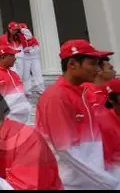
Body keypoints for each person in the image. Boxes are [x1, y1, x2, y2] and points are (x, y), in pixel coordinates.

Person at [35, 39, 120, 189]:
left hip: (92, 181)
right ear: (72, 64)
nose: (97, 69)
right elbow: (65, 151)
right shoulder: (56, 96)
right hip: (71, 184)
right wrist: (107, 181)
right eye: (92, 64)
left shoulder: (81, 94)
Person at [0, 45, 32, 124]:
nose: (15, 58)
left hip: (23, 119)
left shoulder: (14, 74)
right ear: (3, 57)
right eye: (12, 55)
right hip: (6, 120)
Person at [19, 23, 44, 95]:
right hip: (25, 59)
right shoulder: (19, 39)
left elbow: (37, 48)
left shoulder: (33, 39)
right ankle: (27, 90)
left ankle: (41, 89)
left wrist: (30, 51)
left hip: (34, 58)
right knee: (26, 75)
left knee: (37, 73)